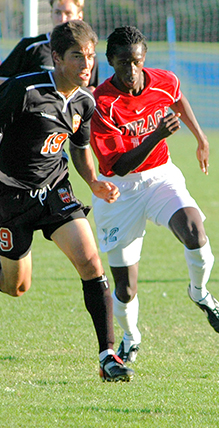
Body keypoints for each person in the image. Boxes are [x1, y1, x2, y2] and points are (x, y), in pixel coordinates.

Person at [90, 26, 219, 364]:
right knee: (125, 288)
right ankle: (131, 336)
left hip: (159, 177)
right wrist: (156, 135)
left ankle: (200, 293)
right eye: (122, 63)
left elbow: (177, 98)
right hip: (118, 191)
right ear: (110, 62)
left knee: (195, 230)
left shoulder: (162, 80)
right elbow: (120, 165)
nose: (131, 70)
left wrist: (201, 138)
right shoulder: (102, 103)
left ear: (144, 59)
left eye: (136, 61)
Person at [0, 20, 133, 382]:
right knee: (17, 287)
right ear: (57, 57)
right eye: (77, 57)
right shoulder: (23, 91)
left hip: (55, 192)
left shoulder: (84, 101)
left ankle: (108, 356)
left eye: (90, 56)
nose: (86, 65)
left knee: (91, 262)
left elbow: (79, 148)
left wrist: (93, 181)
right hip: (9, 198)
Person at [0, 0, 99, 91]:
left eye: (68, 13)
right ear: (51, 14)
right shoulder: (31, 47)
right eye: (57, 13)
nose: (62, 19)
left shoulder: (86, 54)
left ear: (79, 17)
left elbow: (90, 89)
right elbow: (2, 80)